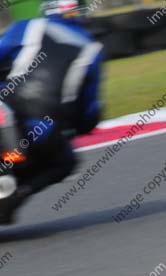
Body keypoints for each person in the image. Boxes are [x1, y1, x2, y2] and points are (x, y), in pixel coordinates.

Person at [0, 0, 103, 223]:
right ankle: (15, 197)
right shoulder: (92, 49)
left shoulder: (28, 26)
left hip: (8, 108)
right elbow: (89, 114)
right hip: (45, 134)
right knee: (66, 162)